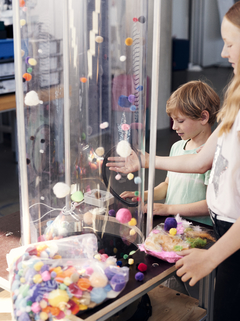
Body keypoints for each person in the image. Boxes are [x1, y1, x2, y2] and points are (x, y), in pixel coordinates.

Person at [107, 2, 240, 320]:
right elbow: (199, 161)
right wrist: (147, 160)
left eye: (231, 43)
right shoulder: (235, 102)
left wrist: (210, 259)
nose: (223, 53)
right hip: (226, 233)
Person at [120, 80, 220, 226]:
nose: (174, 127)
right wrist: (143, 195)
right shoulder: (177, 147)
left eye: (180, 120)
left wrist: (168, 208)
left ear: (203, 117)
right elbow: (168, 185)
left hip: (199, 228)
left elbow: (212, 204)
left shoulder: (213, 154)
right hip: (173, 225)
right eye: (172, 121)